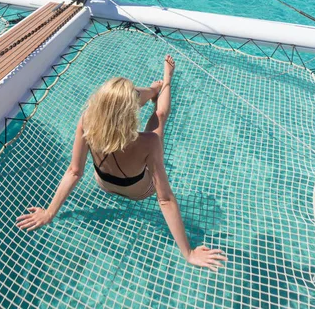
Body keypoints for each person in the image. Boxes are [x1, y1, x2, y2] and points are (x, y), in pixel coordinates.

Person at [16, 55, 227, 271]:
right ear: (131, 114)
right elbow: (164, 200)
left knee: (123, 100)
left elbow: (74, 171)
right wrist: (188, 253)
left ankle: (154, 89)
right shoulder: (150, 143)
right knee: (160, 115)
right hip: (139, 192)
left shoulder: (86, 122)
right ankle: (165, 81)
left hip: (104, 184)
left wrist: (49, 213)